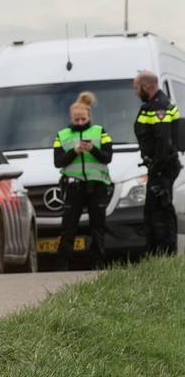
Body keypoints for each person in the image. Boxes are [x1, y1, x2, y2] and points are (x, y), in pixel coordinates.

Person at [52, 92, 113, 269]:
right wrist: (74, 151)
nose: (80, 123)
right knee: (68, 229)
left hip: (97, 186)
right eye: (76, 120)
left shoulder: (100, 132)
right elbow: (58, 162)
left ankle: (98, 265)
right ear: (71, 118)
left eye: (83, 119)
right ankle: (63, 266)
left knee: (98, 227)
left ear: (89, 116)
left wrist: (92, 149)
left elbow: (107, 157)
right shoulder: (62, 135)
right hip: (74, 186)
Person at [133, 70, 181, 256]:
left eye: (137, 88)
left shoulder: (159, 107)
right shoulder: (153, 105)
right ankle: (156, 254)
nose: (136, 92)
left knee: (160, 213)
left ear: (146, 87)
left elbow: (164, 141)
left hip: (162, 168)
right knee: (154, 212)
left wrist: (156, 167)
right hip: (160, 167)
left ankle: (165, 254)